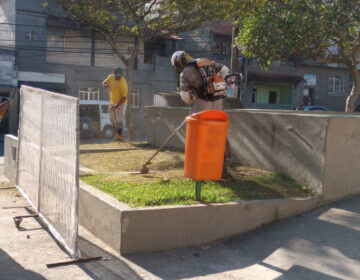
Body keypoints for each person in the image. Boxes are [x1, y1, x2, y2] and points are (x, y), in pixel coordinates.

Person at [171, 50, 232, 178]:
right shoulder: (206, 62)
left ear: (178, 63)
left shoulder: (184, 73)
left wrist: (193, 102)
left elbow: (185, 96)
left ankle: (202, 171)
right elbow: (225, 69)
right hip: (219, 104)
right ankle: (222, 172)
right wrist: (217, 83)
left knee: (199, 137)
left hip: (202, 106)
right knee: (218, 137)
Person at [103, 67, 128, 140]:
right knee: (111, 119)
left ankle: (119, 136)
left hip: (121, 103)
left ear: (121, 75)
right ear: (114, 74)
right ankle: (117, 134)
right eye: (116, 76)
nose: (117, 77)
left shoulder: (123, 83)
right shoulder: (111, 77)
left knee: (119, 120)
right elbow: (104, 82)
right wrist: (105, 85)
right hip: (112, 102)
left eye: (119, 76)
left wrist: (116, 106)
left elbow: (124, 97)